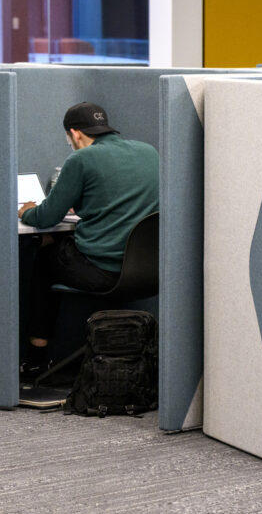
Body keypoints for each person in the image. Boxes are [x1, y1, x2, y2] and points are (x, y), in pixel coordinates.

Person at [18, 102, 158, 368]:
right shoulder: (148, 152)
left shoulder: (80, 159)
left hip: (103, 270)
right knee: (54, 243)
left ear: (75, 134)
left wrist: (27, 211)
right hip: (149, 271)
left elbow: (46, 217)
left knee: (44, 257)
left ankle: (36, 358)